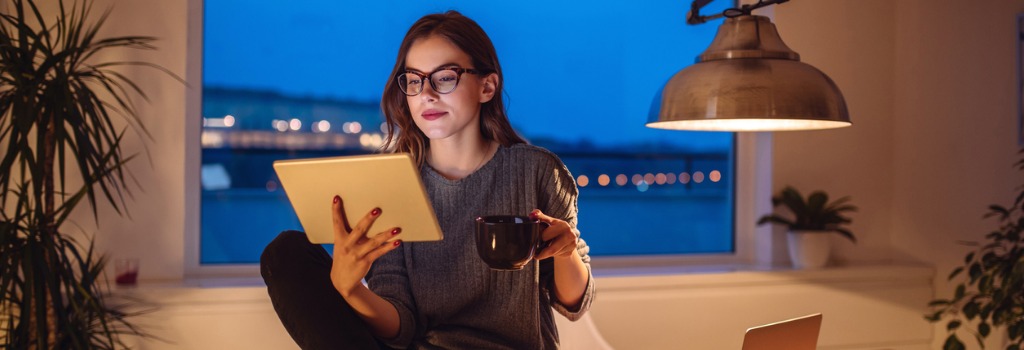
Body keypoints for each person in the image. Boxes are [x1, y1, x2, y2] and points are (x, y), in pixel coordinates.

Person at [260, 10, 595, 350]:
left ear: (487, 86)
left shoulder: (537, 170)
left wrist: (566, 252)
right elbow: (399, 328)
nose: (427, 94)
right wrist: (350, 288)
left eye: (445, 77)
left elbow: (573, 303)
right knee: (285, 254)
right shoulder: (390, 181)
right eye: (415, 80)